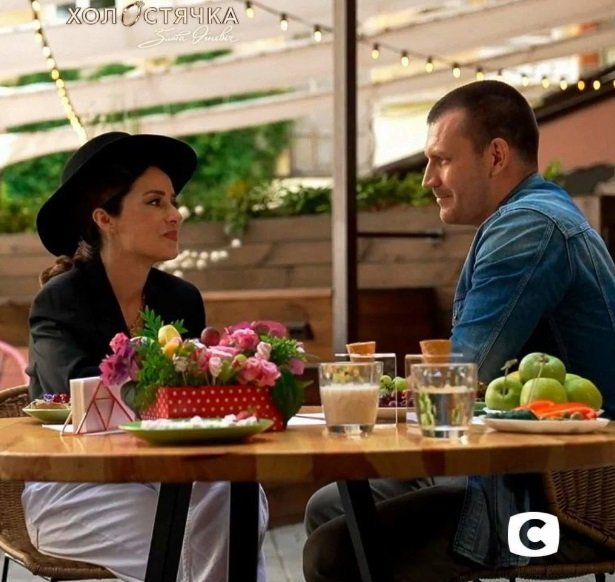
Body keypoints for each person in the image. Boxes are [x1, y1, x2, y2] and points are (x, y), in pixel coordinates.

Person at [303, 80, 615, 581]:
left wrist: (365, 397)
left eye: (442, 160)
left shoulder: (527, 227)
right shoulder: (534, 215)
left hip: (556, 504)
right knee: (332, 506)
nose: (427, 179)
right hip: (515, 472)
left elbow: (459, 379)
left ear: (496, 156)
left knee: (333, 553)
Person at [23, 131, 269, 582]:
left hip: (167, 474)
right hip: (77, 484)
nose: (176, 214)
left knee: (237, 495)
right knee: (191, 545)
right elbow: (77, 395)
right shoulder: (61, 301)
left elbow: (194, 404)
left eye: (173, 201)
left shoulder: (181, 299)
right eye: (155, 202)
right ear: (105, 218)